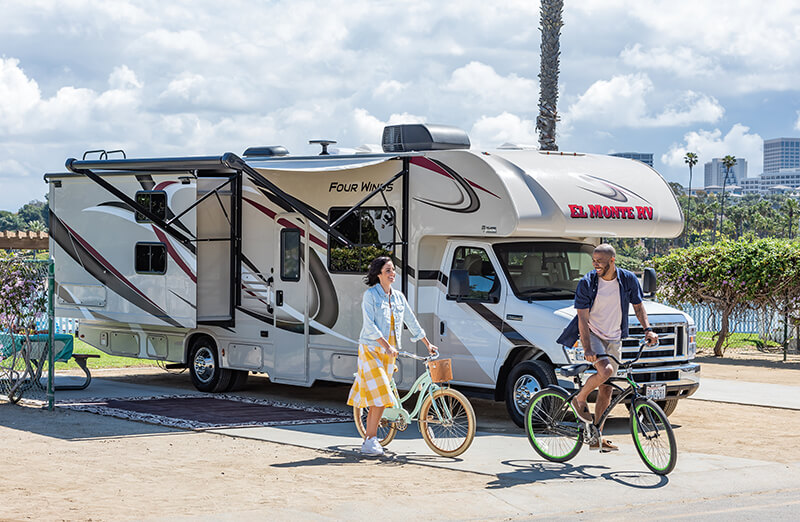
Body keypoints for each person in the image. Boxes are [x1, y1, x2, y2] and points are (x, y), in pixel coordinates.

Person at [556, 244, 658, 452]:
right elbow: (582, 320)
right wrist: (587, 348)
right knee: (606, 371)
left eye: (599, 261)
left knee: (607, 388)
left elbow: (638, 307)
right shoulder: (588, 282)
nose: (595, 265)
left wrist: (648, 329)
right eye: (593, 260)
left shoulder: (627, 279)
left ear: (612, 261)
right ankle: (580, 397)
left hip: (614, 336)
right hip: (592, 333)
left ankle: (596, 437)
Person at [348, 256, 437, 456]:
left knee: (380, 398)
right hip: (371, 350)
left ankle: (371, 440)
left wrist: (427, 343)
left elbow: (411, 321)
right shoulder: (371, 295)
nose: (392, 274)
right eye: (388, 270)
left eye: (393, 270)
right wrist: (386, 345)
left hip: (390, 353)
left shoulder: (398, 297)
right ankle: (370, 441)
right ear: (378, 274)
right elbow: (369, 325)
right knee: (381, 396)